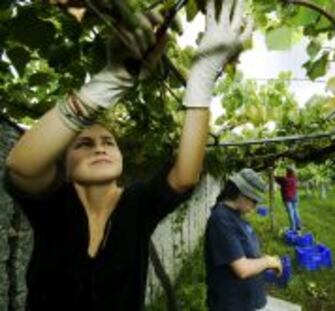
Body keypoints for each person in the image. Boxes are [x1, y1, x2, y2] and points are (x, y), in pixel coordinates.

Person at [3, 0, 253, 310]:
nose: (99, 146)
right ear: (63, 166)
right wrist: (110, 81)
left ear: (121, 158)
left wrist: (201, 78)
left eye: (108, 141)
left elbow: (185, 175)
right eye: (83, 144)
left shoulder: (136, 205)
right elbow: (21, 166)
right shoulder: (52, 203)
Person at [204, 168, 283, 311]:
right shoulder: (221, 220)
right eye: (254, 201)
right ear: (242, 195)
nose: (255, 206)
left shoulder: (235, 216)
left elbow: (243, 253)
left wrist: (263, 262)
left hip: (246, 301)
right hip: (232, 304)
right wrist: (267, 262)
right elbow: (242, 269)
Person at [274, 166, 301, 232]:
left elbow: (275, 178)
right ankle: (298, 226)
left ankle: (293, 228)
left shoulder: (284, 179)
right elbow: (297, 186)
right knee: (296, 211)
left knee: (291, 213)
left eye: (286, 171)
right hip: (294, 197)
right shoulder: (294, 179)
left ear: (288, 172)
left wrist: (272, 173)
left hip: (288, 198)